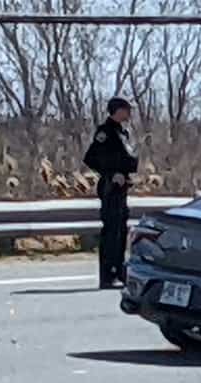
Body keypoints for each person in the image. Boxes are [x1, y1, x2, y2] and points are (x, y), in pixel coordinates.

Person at [83, 97, 138, 289]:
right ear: (118, 111)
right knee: (111, 232)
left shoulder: (123, 132)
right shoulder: (105, 132)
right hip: (110, 187)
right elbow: (90, 158)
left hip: (122, 188)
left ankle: (120, 271)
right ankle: (107, 275)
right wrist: (111, 174)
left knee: (121, 231)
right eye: (126, 110)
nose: (129, 113)